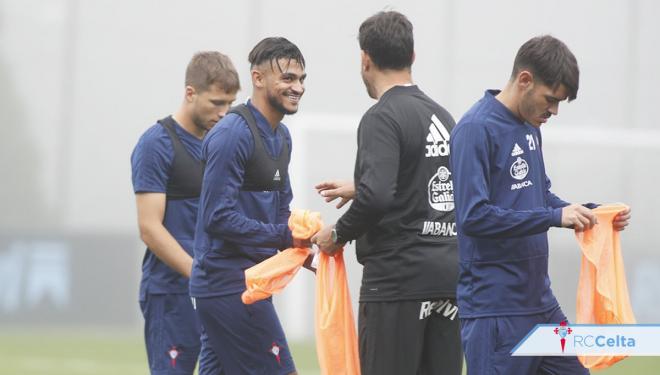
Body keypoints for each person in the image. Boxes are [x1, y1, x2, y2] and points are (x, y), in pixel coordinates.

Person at [449, 35, 632, 374]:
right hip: (495, 310)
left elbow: (540, 196)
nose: (554, 111)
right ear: (524, 80)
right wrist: (552, 217)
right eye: (551, 99)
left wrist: (589, 214)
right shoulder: (474, 129)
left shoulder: (531, 128)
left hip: (539, 304)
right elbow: (474, 217)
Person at [312, 11, 462, 375]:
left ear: (365, 60)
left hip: (398, 282)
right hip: (449, 280)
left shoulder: (382, 116)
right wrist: (361, 187)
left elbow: (378, 196)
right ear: (412, 57)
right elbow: (434, 183)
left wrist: (337, 234)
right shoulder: (442, 116)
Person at [190, 37, 309, 375]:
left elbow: (282, 210)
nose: (297, 87)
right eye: (287, 78)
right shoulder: (233, 134)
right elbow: (218, 218)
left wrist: (303, 245)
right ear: (258, 79)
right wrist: (285, 236)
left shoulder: (282, 137)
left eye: (301, 79)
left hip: (253, 281)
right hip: (227, 285)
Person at [131, 52, 240, 375]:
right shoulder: (156, 143)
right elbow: (149, 228)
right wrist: (199, 275)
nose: (224, 113)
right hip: (172, 293)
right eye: (217, 103)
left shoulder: (223, 144)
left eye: (230, 104)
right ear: (190, 93)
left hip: (218, 291)